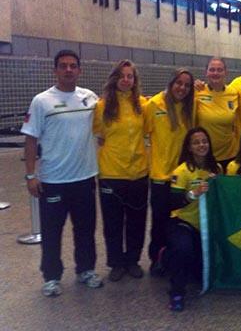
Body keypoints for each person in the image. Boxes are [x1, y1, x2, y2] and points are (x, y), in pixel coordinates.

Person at [21, 49, 103, 297]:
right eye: (63, 66)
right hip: (53, 181)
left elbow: (110, 120)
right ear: (55, 70)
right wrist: (30, 175)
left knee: (86, 230)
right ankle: (52, 276)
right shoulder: (41, 101)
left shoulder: (90, 98)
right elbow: (31, 140)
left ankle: (86, 270)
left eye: (73, 66)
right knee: (52, 232)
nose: (68, 70)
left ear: (79, 70)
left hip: (85, 178)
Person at [93, 60, 148, 281]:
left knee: (137, 221)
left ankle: (132, 260)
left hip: (138, 173)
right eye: (122, 76)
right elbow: (99, 136)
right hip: (111, 174)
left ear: (135, 81)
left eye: (130, 76)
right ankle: (116, 262)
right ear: (115, 78)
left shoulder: (143, 105)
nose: (126, 80)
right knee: (113, 222)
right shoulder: (101, 106)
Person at [162, 127, 221, 311]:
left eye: (204, 141)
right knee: (183, 250)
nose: (201, 145)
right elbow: (172, 203)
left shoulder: (216, 168)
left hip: (205, 226)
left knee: (199, 273)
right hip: (183, 223)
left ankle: (168, 257)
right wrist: (193, 194)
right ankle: (176, 292)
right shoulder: (182, 171)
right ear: (189, 147)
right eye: (196, 142)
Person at [144, 68, 195, 276]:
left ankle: (174, 258)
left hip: (182, 177)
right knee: (159, 222)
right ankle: (156, 259)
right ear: (171, 83)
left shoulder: (191, 107)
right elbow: (140, 132)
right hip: (161, 177)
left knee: (179, 221)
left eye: (187, 85)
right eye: (179, 83)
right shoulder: (154, 104)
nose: (182, 88)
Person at [195, 57, 239, 171]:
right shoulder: (197, 92)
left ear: (226, 72)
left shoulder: (234, 93)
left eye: (219, 70)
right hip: (203, 155)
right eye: (212, 69)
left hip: (230, 155)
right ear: (206, 72)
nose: (216, 73)